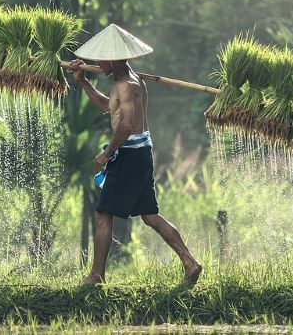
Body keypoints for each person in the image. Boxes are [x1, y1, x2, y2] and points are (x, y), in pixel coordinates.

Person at [68, 23, 202, 285]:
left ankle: (96, 275)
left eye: (100, 58)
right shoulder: (124, 82)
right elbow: (109, 108)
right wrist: (82, 81)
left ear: (113, 59)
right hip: (139, 152)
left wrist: (108, 153)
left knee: (102, 213)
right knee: (149, 215)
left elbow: (126, 126)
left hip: (130, 155)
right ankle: (190, 262)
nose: (96, 62)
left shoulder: (128, 85)